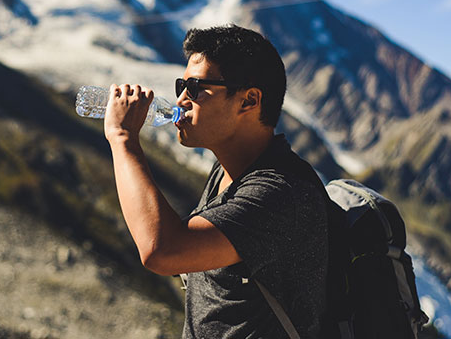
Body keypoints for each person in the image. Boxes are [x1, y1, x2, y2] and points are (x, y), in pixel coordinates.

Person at [104, 24, 329, 338]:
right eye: (182, 85)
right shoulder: (229, 173)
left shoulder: (279, 193)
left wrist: (122, 138)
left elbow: (162, 250)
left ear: (249, 101)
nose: (181, 99)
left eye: (195, 88)